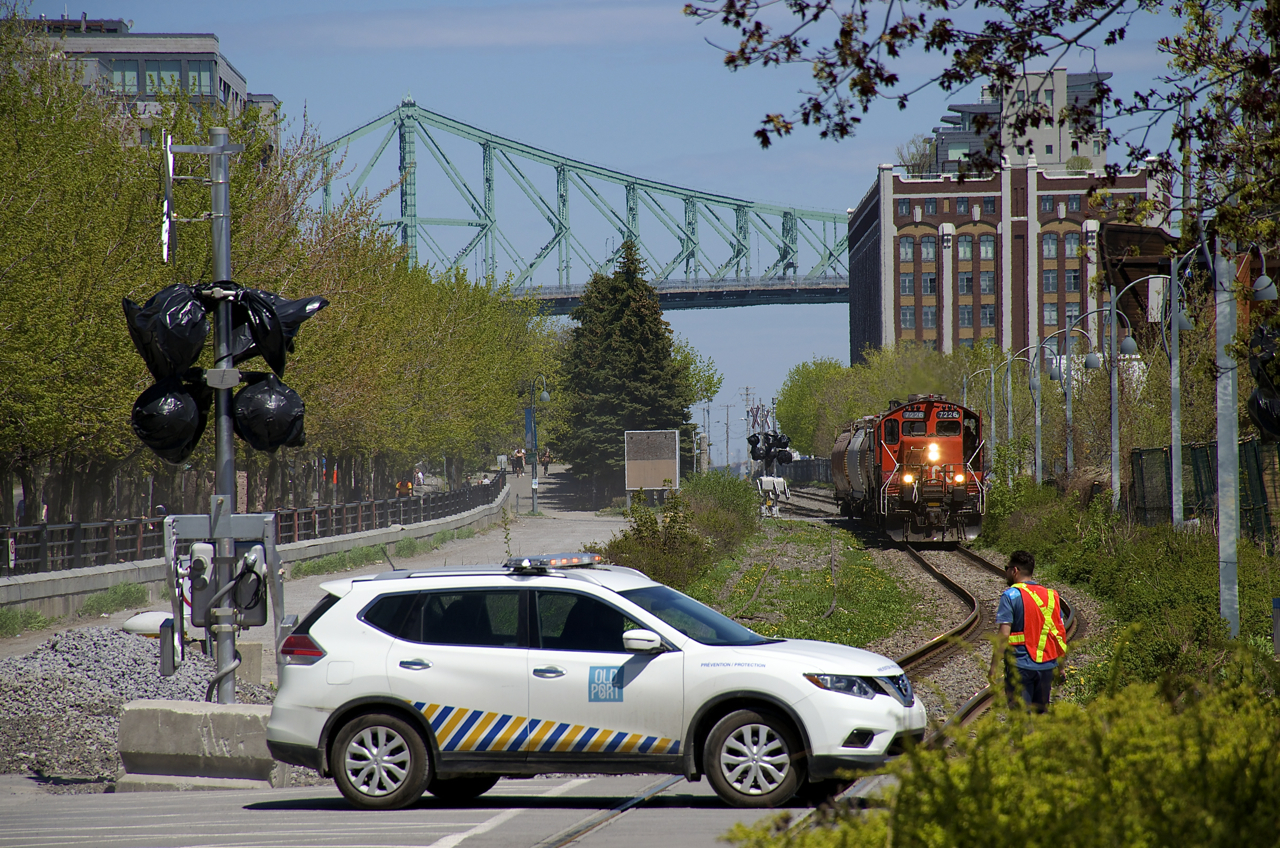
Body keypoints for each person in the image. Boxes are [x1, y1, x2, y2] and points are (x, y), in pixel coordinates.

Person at [991, 550, 1067, 713]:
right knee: (1041, 717)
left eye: (1007, 568)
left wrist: (994, 667)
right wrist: (1060, 666)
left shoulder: (1010, 596)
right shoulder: (1051, 596)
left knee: (1021, 720)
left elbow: (1004, 635)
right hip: (1046, 667)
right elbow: (1058, 634)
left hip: (1020, 666)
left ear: (1015, 571)